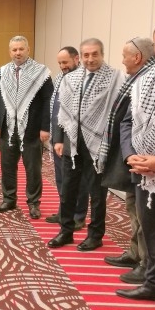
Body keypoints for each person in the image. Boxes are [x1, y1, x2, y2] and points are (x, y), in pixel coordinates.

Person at [116, 20, 155, 303]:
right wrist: (130, 154)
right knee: (152, 233)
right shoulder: (145, 79)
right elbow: (127, 121)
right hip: (143, 170)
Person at [48, 38, 123, 251]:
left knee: (97, 194)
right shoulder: (71, 78)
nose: (90, 59)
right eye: (86, 55)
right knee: (68, 189)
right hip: (72, 142)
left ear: (102, 54)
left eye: (95, 54)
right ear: (80, 57)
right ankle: (66, 231)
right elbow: (63, 111)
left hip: (99, 145)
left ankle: (95, 235)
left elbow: (118, 113)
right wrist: (59, 139)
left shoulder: (115, 78)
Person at [100, 37, 155, 283]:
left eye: (124, 56)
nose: (122, 61)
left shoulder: (151, 80)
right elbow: (126, 121)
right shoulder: (137, 80)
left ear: (137, 57)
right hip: (133, 156)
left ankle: (148, 264)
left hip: (151, 161)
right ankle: (136, 254)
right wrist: (128, 154)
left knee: (147, 215)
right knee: (134, 208)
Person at [0, 36, 53, 218]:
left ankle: (34, 203)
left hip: (32, 129)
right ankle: (9, 199)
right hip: (7, 128)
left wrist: (45, 127)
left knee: (33, 169)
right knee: (7, 166)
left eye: (21, 49)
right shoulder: (2, 71)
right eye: (14, 50)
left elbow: (48, 101)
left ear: (28, 49)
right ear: (9, 51)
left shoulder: (41, 72)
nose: (17, 53)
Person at [45, 47, 88, 230]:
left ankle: (78, 216)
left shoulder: (83, 79)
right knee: (62, 178)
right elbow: (56, 109)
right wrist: (56, 138)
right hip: (58, 138)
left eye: (65, 62)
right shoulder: (60, 78)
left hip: (74, 140)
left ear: (76, 59)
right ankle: (64, 212)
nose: (62, 66)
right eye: (60, 63)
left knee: (77, 181)